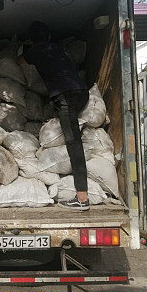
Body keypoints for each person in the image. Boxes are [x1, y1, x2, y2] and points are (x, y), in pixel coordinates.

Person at [18, 21, 90, 211]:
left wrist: (27, 50)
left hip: (64, 97)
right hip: (82, 92)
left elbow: (20, 62)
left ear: (33, 40)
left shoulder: (33, 52)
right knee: (72, 129)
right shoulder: (57, 48)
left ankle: (82, 198)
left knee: (73, 143)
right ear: (49, 36)